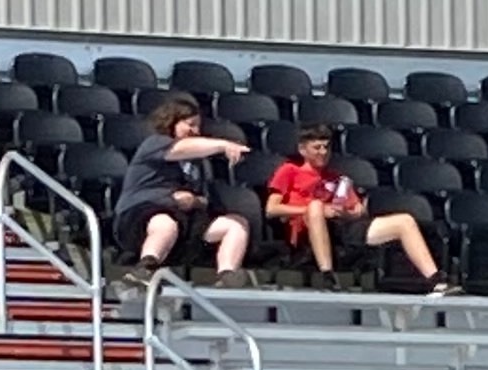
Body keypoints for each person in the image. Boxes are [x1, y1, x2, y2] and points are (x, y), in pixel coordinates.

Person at [265, 122, 445, 294]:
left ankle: (434, 280)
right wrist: (315, 209)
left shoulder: (338, 179)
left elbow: (357, 209)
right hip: (306, 229)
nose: (323, 152)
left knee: (404, 221)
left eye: (326, 147)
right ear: (303, 150)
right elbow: (271, 209)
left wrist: (352, 212)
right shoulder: (289, 171)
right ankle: (327, 274)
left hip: (341, 228)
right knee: (316, 206)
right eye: (317, 147)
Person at [111, 92, 252, 291]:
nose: (196, 130)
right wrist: (223, 145)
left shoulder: (199, 164)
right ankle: (145, 268)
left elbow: (206, 201)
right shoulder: (155, 144)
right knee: (165, 222)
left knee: (236, 224)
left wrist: (194, 202)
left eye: (198, 125)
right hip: (140, 216)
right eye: (190, 124)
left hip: (186, 223)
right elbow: (181, 148)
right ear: (172, 122)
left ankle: (227, 275)